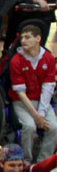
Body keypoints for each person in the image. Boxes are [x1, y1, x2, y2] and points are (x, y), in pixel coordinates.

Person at [8, 24, 57, 163]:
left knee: (54, 128)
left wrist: (41, 113)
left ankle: (43, 162)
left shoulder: (48, 58)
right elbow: (20, 93)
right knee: (29, 127)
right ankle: (26, 162)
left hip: (42, 100)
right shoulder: (16, 60)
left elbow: (48, 88)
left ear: (38, 39)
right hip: (22, 101)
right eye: (22, 37)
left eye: (27, 37)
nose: (23, 40)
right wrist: (36, 116)